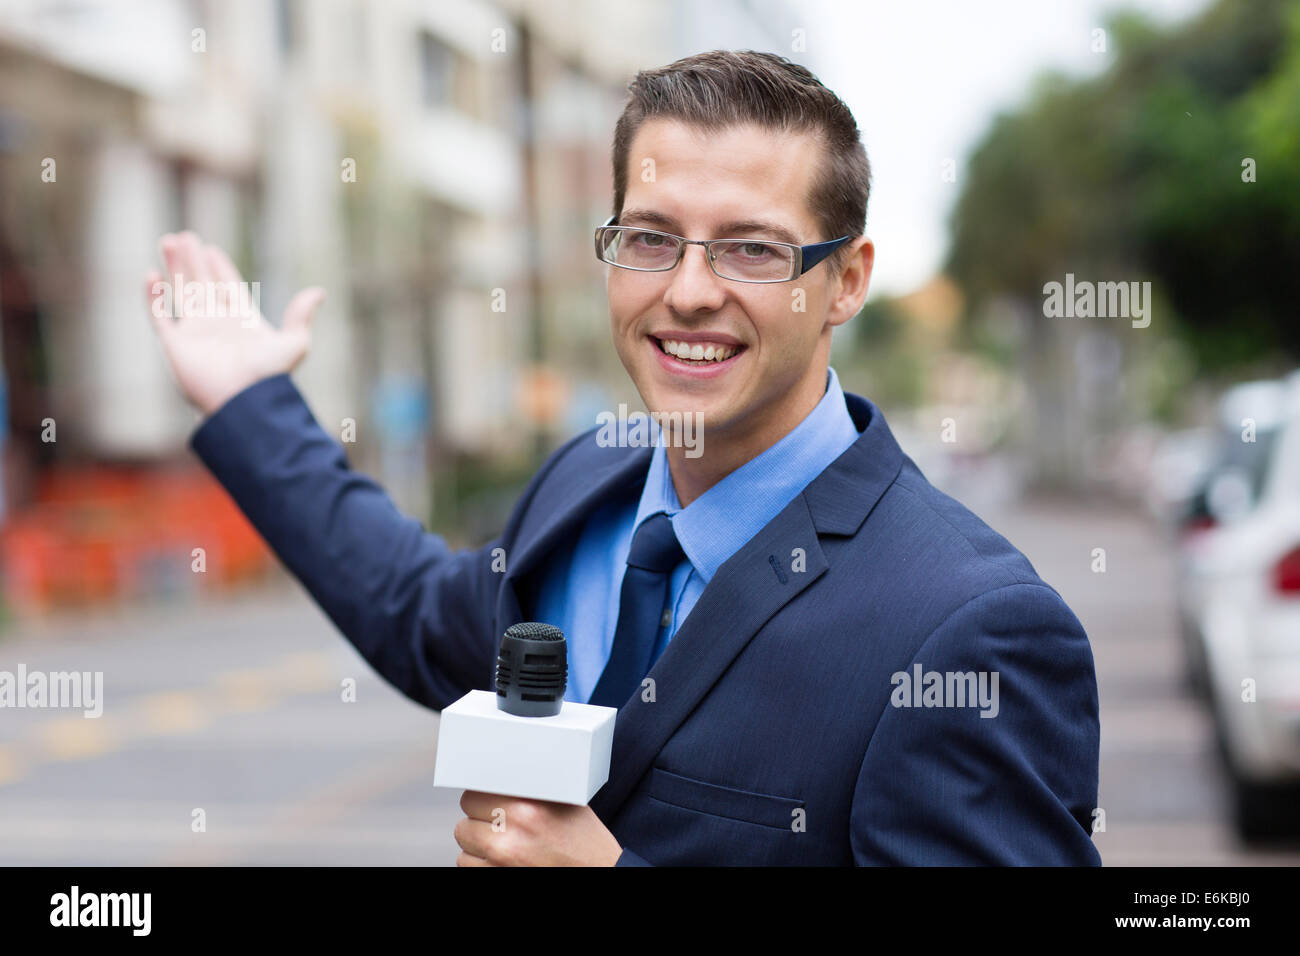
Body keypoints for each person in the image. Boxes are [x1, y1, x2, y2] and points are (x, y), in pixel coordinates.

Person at [143, 49, 1101, 866]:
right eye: (650, 239)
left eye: (752, 251)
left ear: (845, 281)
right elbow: (413, 611)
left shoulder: (971, 630)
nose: (687, 292)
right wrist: (250, 404)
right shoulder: (585, 487)